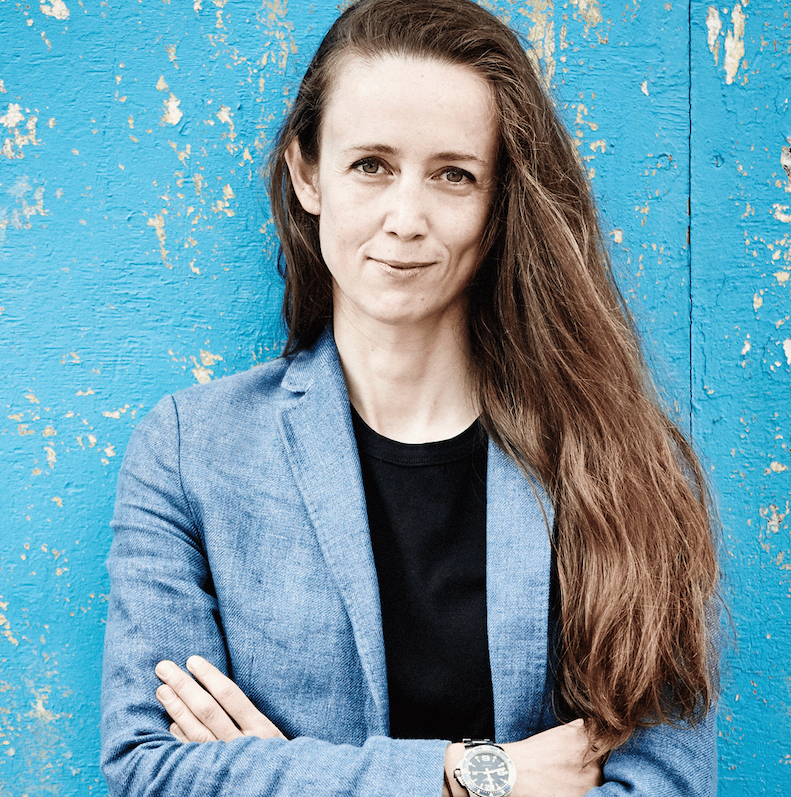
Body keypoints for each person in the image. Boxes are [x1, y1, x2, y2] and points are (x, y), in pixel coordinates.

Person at [99, 0, 720, 794]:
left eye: (453, 175)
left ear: (497, 201)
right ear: (306, 173)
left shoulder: (614, 458)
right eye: (371, 165)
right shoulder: (192, 450)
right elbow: (150, 770)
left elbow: (665, 784)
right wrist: (473, 775)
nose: (405, 220)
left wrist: (288, 774)